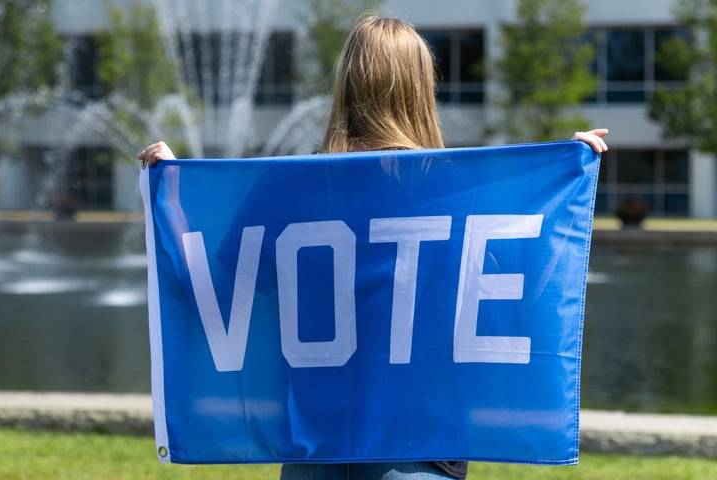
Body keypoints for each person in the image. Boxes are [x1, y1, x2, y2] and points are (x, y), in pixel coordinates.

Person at [138, 14, 608, 480]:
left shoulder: (286, 189)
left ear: (346, 83)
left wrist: (173, 195)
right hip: (416, 457)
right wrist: (562, 182)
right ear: (421, 88)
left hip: (313, 455)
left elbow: (208, 298)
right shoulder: (456, 190)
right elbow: (524, 298)